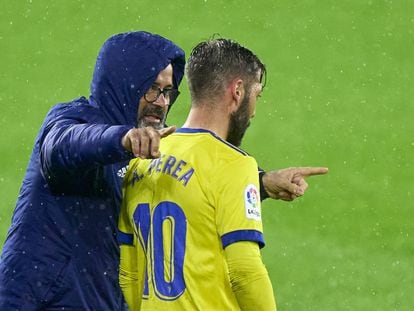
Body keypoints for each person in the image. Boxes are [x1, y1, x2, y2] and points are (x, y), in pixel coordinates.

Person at [0, 31, 326, 309]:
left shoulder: (146, 152)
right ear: (126, 82)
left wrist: (260, 182)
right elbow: (65, 146)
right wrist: (122, 138)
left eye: (168, 91)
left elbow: (188, 179)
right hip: (36, 299)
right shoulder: (73, 120)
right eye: (152, 88)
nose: (162, 102)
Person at [119, 38, 327, 310]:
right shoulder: (234, 164)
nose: (253, 111)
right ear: (237, 92)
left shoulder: (143, 159)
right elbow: (245, 271)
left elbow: (129, 274)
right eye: (257, 95)